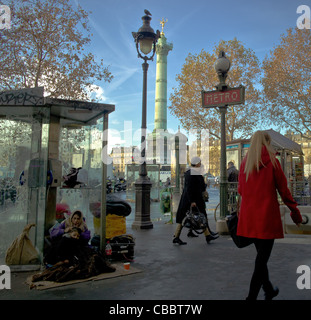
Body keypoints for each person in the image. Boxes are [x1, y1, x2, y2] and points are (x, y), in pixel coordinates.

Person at [237, 131, 302, 300]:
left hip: (249, 218)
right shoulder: (273, 161)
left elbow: (241, 190)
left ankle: (269, 290)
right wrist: (295, 212)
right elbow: (283, 190)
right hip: (266, 217)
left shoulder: (245, 162)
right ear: (268, 142)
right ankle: (251, 298)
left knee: (261, 258)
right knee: (261, 260)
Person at [173, 156, 219, 245]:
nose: (200, 164)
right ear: (197, 164)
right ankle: (207, 235)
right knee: (198, 217)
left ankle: (207, 235)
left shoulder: (192, 172)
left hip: (192, 200)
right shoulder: (192, 174)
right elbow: (189, 189)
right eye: (199, 163)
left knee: (195, 217)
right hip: (192, 200)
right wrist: (192, 201)